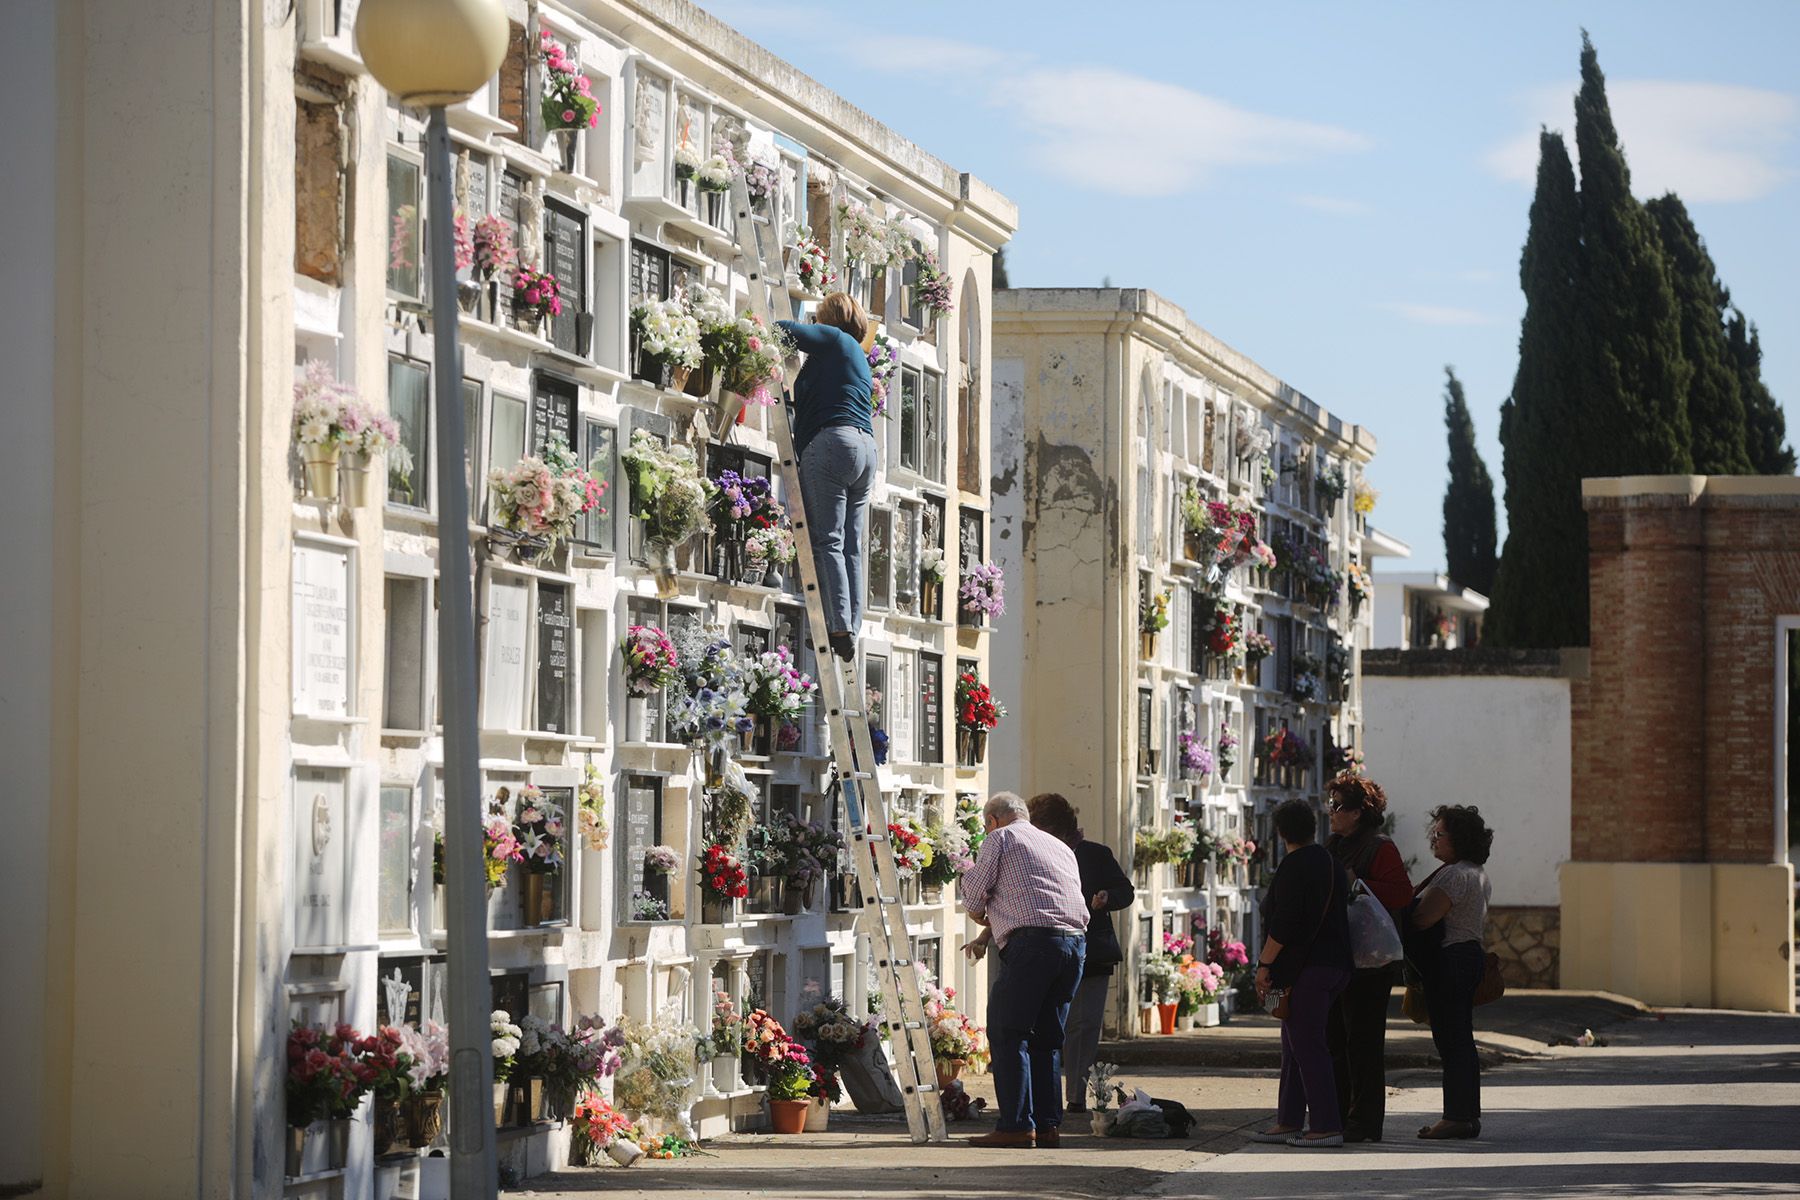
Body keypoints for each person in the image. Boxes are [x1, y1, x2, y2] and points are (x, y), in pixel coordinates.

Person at [957, 792, 1090, 1148]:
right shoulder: (1058, 846)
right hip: (1075, 944)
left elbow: (972, 895)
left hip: (1033, 946)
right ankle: (1047, 1126)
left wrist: (980, 912)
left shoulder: (1001, 837)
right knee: (1047, 1038)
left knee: (1007, 1031)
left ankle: (1016, 1125)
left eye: (986, 825)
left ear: (993, 820)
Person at [774, 293, 875, 662]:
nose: (814, 321)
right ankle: (850, 626)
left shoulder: (835, 339)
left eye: (818, 316)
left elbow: (782, 330)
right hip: (864, 449)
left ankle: (837, 626)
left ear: (829, 318)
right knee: (851, 545)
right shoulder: (854, 356)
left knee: (827, 541)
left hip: (833, 443)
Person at [1020, 792, 1134, 1114]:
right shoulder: (1030, 853)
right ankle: (1043, 1095)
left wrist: (1106, 896)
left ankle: (1075, 1095)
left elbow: (1125, 891)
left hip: (1092, 952)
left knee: (1084, 1026)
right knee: (1047, 1024)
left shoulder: (1095, 855)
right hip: (1045, 949)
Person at [1251, 798, 1353, 1148]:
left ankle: (1326, 1125)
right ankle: (1289, 1120)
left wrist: (1264, 965)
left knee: (1308, 1045)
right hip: (1336, 964)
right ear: (1313, 828)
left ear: (1281, 833)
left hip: (1307, 968)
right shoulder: (1330, 862)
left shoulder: (1294, 865)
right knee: (1294, 1044)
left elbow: (1285, 923)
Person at [1322, 772, 1412, 1142]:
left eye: (1338, 806)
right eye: (1330, 805)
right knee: (1335, 1039)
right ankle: (1339, 1115)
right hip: (1338, 956)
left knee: (1364, 1042)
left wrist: (1358, 881)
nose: (1331, 813)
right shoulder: (1334, 844)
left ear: (1359, 812)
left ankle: (1365, 1121)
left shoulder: (1379, 846)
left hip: (1371, 962)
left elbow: (1401, 894)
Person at [1409, 804, 1494, 1140]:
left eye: (1440, 833)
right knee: (1462, 1039)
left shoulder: (1453, 875)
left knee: (1450, 1040)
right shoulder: (1477, 872)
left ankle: (1456, 1116)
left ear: (1458, 838)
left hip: (1450, 959)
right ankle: (1467, 1115)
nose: (1435, 837)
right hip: (1470, 956)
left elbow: (1422, 919)